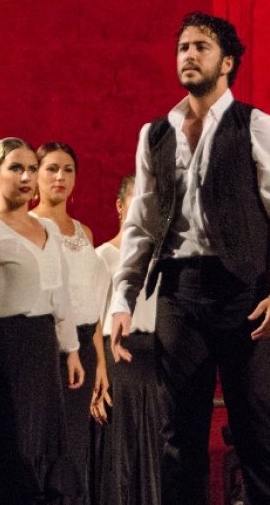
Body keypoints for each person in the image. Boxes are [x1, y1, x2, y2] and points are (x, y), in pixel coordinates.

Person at [109, 12, 270, 505]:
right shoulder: (155, 133)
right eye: (182, 47)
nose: (189, 55)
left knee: (257, 434)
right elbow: (141, 225)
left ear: (228, 62)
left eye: (201, 46)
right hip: (180, 291)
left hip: (243, 291)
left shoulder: (255, 125)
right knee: (179, 436)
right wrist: (122, 298)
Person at [0, 137, 85, 502]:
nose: (26, 176)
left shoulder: (47, 230)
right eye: (15, 168)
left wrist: (72, 349)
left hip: (42, 344)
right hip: (4, 348)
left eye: (32, 168)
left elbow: (59, 293)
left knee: (46, 443)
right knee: (11, 445)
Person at [30, 141, 111, 503]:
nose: (60, 177)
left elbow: (91, 304)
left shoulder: (84, 232)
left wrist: (101, 365)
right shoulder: (29, 225)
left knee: (76, 447)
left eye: (68, 169)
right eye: (51, 168)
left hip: (86, 345)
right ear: (36, 173)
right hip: (48, 345)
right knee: (45, 444)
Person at [95, 173, 166, 505]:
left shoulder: (164, 262)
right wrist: (100, 372)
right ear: (121, 207)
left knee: (156, 455)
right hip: (118, 363)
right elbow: (94, 322)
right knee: (120, 456)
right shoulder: (102, 257)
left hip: (157, 363)